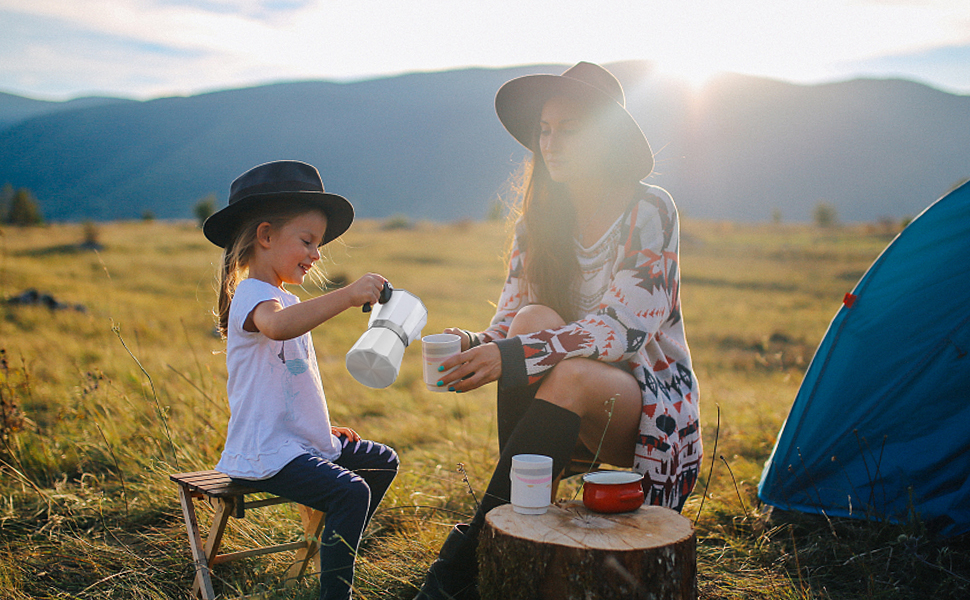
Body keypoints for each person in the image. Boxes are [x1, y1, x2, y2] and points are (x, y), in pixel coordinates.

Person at [413, 62, 702, 599]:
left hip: (647, 407)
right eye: (545, 130)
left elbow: (623, 329)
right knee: (529, 322)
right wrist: (477, 345)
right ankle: (524, 513)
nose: (550, 143)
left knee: (563, 369)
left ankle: (473, 552)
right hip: (567, 395)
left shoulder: (650, 209)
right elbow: (512, 315)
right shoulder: (539, 218)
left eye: (568, 129)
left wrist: (514, 355)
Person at [203, 160, 400, 600]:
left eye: (320, 245)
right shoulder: (256, 297)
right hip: (264, 450)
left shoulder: (283, 297)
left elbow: (290, 381)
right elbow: (277, 327)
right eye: (308, 241)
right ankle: (335, 589)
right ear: (266, 236)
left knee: (381, 461)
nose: (316, 254)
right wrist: (348, 295)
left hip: (295, 440)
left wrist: (317, 428)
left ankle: (330, 545)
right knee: (350, 491)